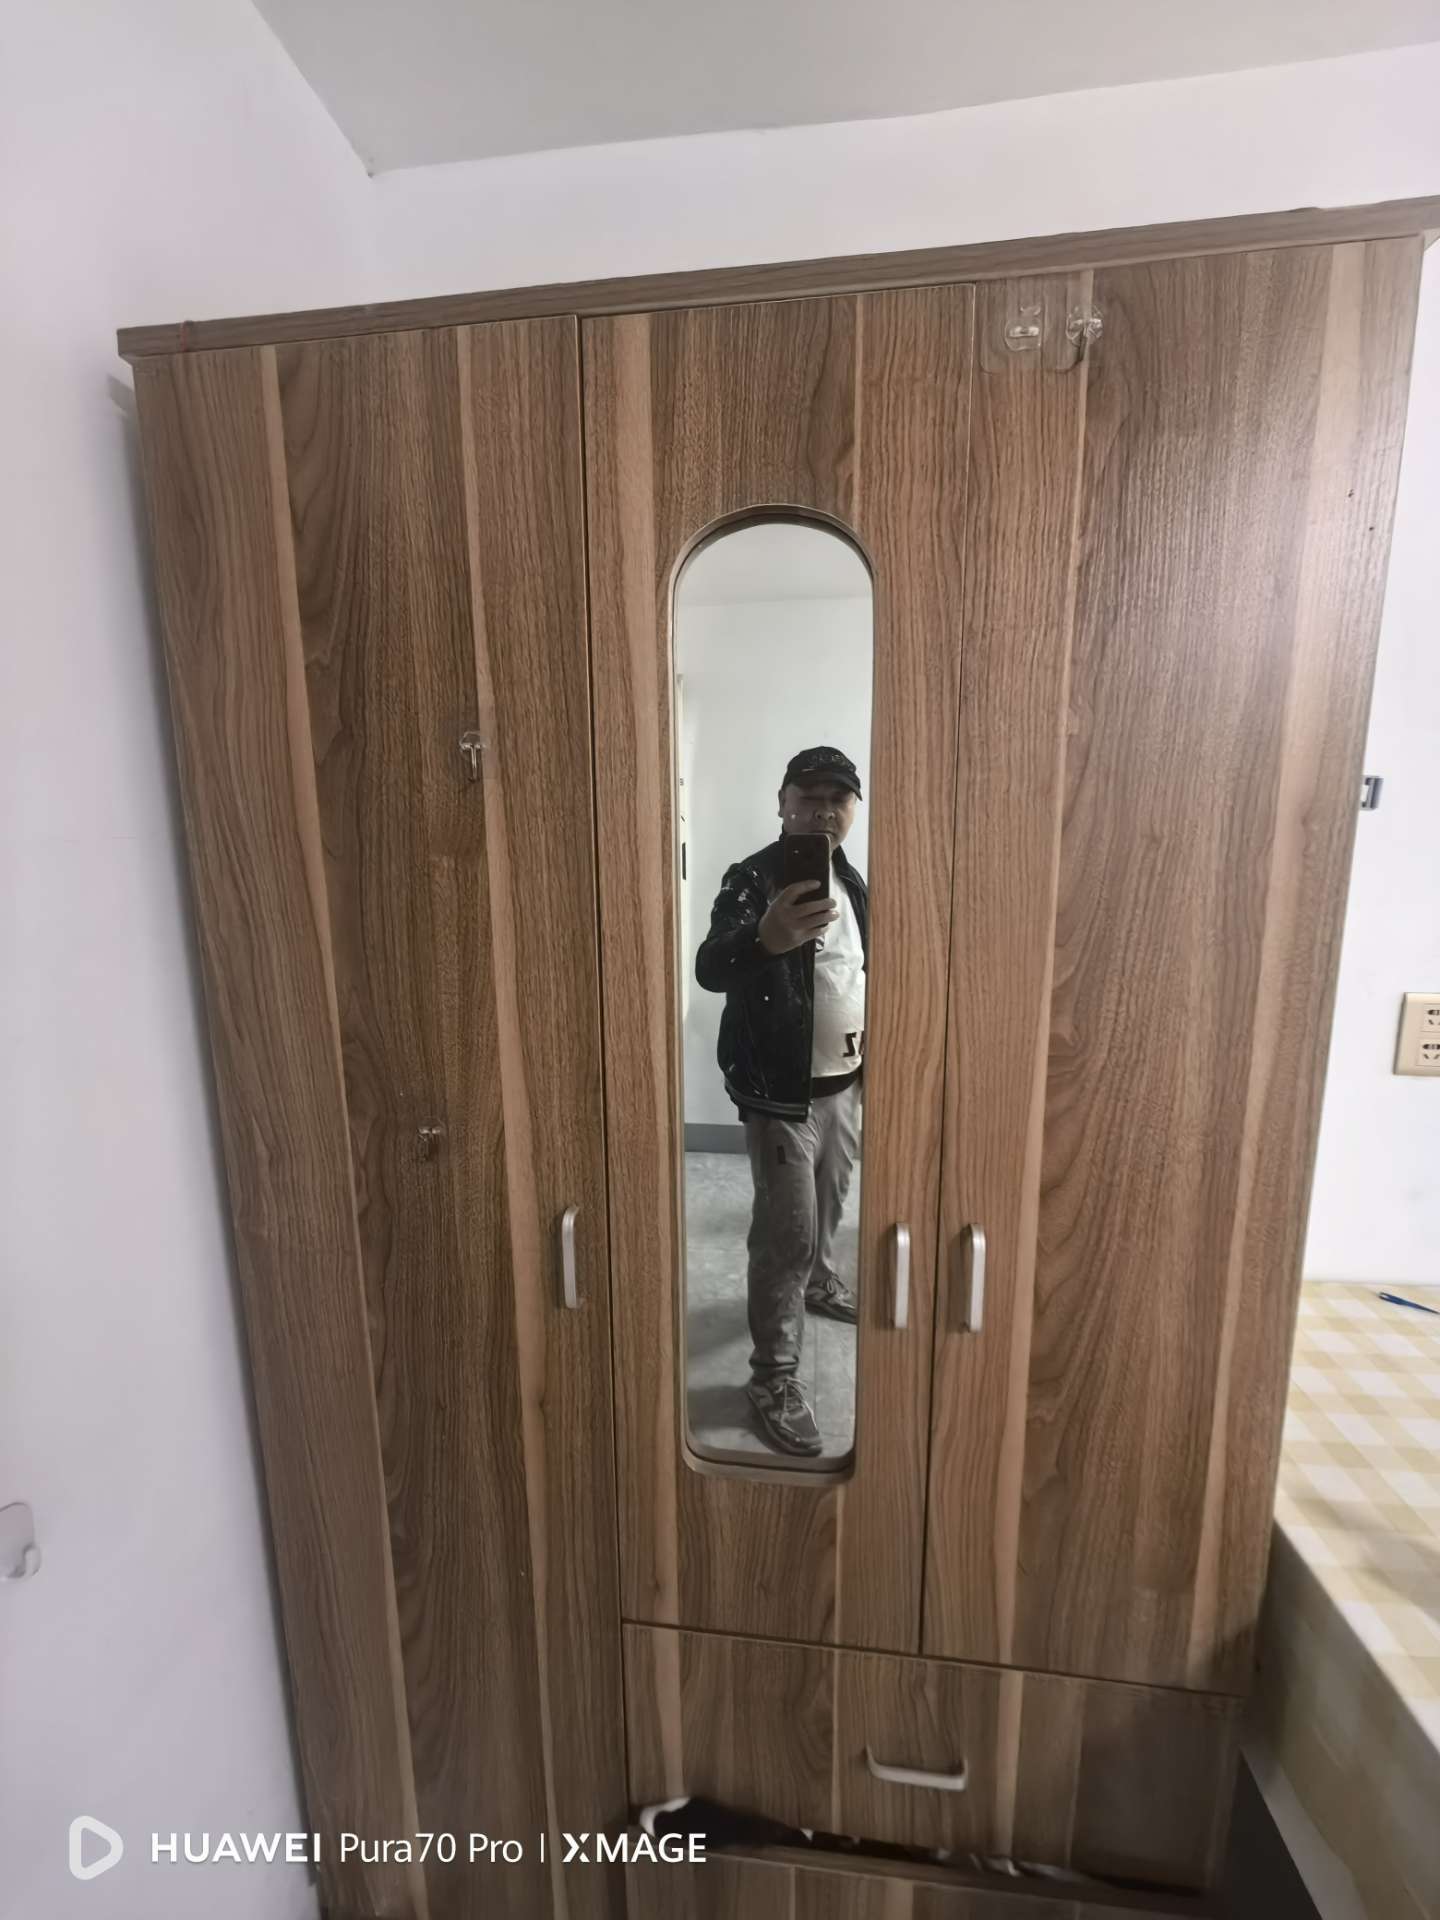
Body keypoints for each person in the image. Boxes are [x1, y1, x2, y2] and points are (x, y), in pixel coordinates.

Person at [695, 746, 867, 1457]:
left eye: (838, 797)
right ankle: (772, 1378)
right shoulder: (753, 878)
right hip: (778, 1092)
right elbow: (711, 966)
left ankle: (819, 1282)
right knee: (785, 1231)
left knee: (830, 1202)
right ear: (782, 802)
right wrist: (765, 939)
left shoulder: (851, 881)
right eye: (809, 795)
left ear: (853, 808)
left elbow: (857, 973)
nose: (824, 810)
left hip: (844, 1080)